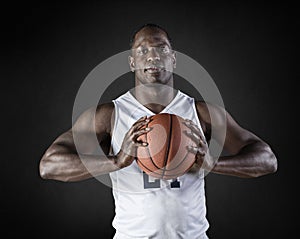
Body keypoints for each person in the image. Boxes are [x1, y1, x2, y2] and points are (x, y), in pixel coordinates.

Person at [39, 23, 278, 238]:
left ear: (173, 59)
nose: (153, 57)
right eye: (142, 50)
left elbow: (267, 160)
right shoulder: (108, 116)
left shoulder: (201, 112)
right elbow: (49, 166)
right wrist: (117, 161)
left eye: (161, 49)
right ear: (132, 62)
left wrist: (214, 164)